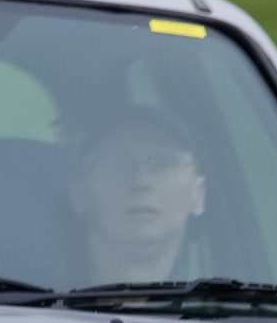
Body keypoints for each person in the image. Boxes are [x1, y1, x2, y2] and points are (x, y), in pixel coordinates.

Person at [66, 107, 207, 287]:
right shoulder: (36, 306)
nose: (141, 181)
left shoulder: (222, 305)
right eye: (116, 165)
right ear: (79, 194)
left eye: (162, 165)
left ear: (198, 194)